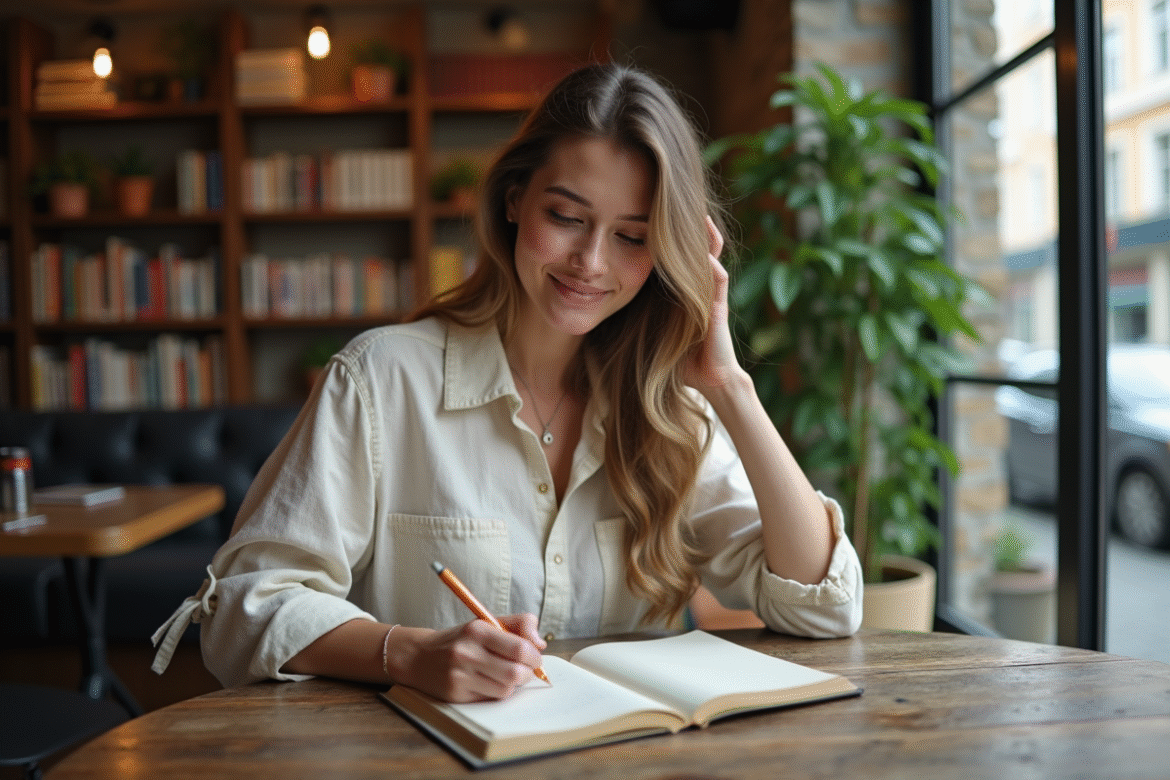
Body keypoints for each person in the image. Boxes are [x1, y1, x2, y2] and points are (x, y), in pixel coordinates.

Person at [152, 62, 862, 703]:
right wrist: (407, 653)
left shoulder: (671, 411)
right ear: (515, 200)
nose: (590, 261)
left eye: (632, 236)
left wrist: (731, 386)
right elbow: (245, 609)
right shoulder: (381, 380)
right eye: (567, 217)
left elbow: (824, 608)